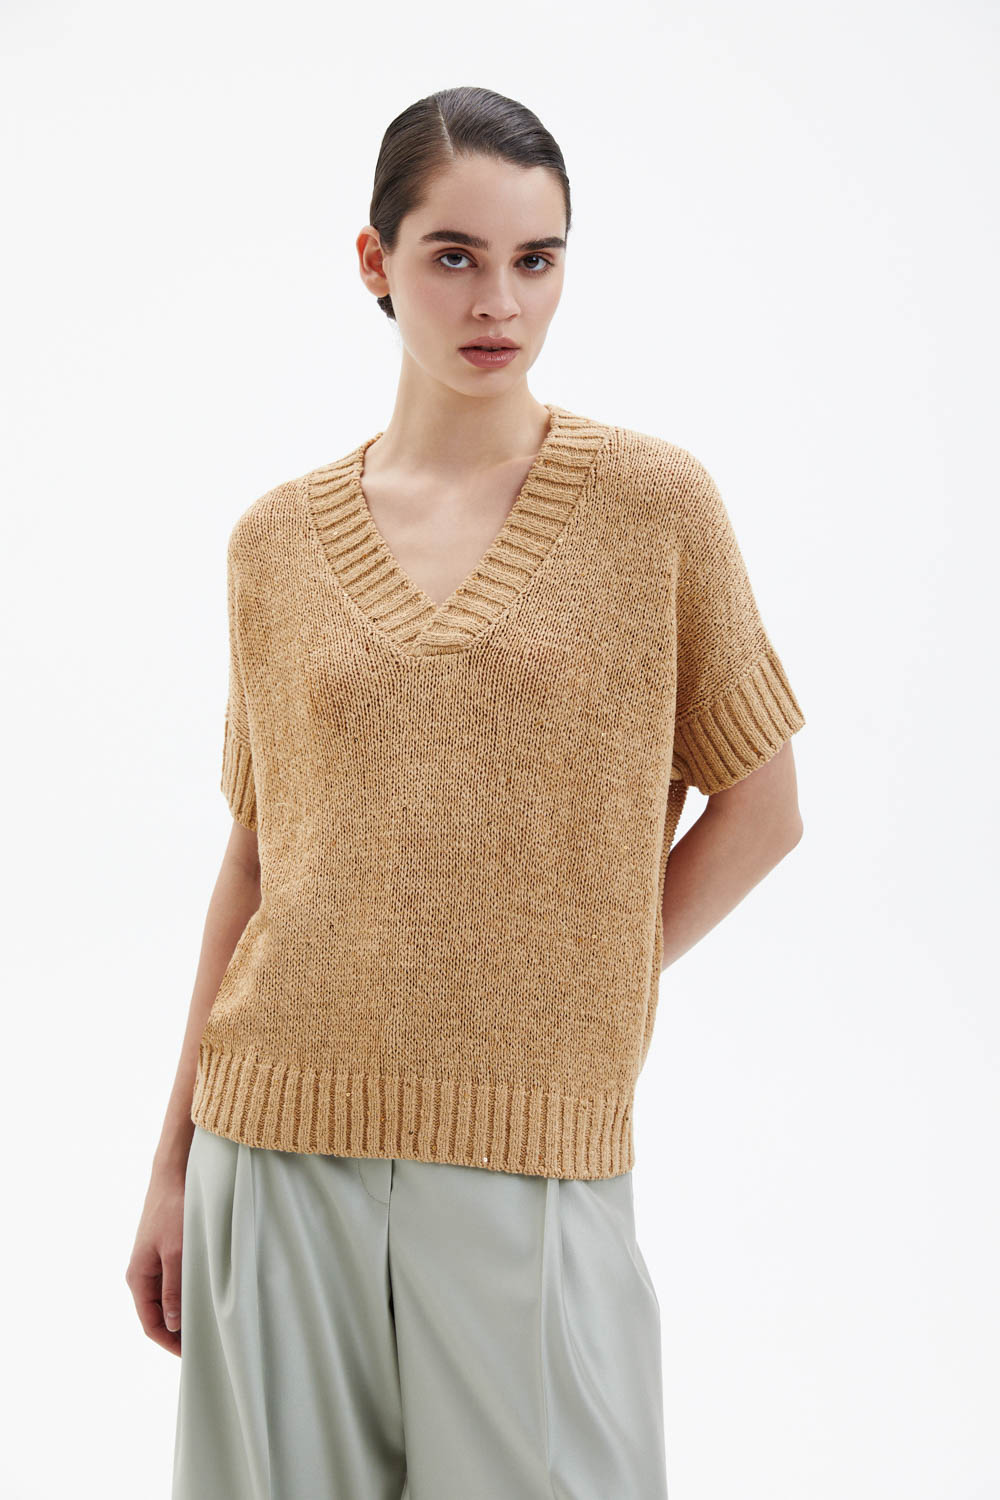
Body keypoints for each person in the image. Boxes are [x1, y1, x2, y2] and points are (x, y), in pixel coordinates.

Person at [126, 84, 807, 1500]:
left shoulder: (653, 507)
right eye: (455, 256)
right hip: (273, 1144)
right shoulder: (274, 542)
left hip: (532, 1146)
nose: (500, 302)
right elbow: (256, 863)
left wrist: (580, 973)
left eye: (535, 259)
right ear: (374, 261)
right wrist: (172, 1164)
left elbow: (763, 807)